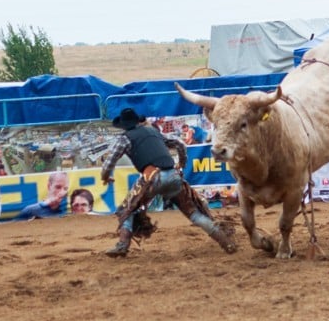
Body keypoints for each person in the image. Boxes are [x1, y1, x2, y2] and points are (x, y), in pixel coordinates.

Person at [101, 107, 236, 257]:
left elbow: (109, 161)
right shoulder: (153, 131)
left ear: (123, 126)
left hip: (152, 178)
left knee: (127, 209)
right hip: (173, 176)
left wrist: (105, 177)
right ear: (138, 121)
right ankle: (226, 242)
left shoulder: (125, 138)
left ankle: (122, 245)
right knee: (194, 215)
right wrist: (182, 164)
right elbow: (180, 144)